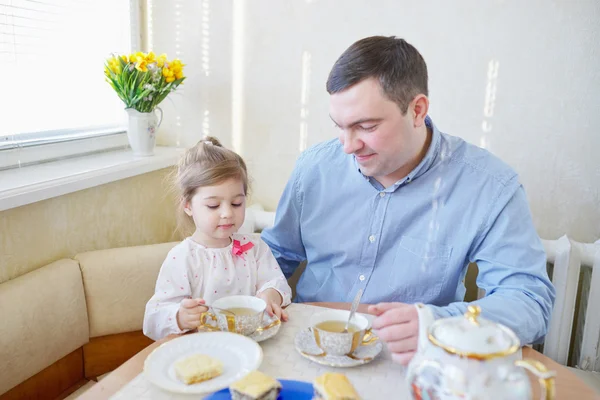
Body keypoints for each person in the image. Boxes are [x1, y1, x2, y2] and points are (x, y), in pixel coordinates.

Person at [261, 36, 555, 364]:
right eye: (340, 127)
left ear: (417, 110)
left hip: (410, 359)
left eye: (366, 126)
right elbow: (275, 257)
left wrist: (438, 325)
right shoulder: (314, 167)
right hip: (307, 346)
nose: (347, 146)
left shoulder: (488, 186)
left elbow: (529, 300)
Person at [143, 136, 292, 341]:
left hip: (250, 343)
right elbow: (153, 318)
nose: (227, 213)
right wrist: (180, 316)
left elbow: (276, 282)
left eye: (237, 203)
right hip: (203, 350)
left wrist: (271, 295)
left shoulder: (254, 247)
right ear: (188, 205)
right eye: (213, 206)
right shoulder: (183, 258)